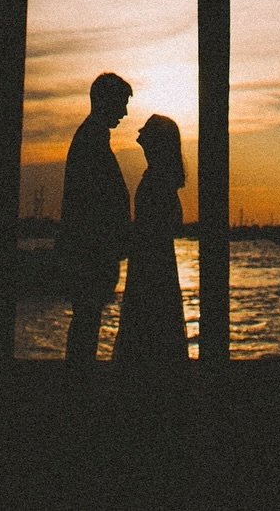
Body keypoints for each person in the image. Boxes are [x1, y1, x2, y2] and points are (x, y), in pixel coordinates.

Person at [57, 71, 132, 365]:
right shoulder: (91, 140)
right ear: (106, 101)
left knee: (87, 319)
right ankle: (79, 381)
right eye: (121, 104)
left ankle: (80, 375)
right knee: (87, 319)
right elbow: (93, 201)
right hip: (89, 252)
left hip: (91, 250)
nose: (125, 112)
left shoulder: (92, 138)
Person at [113, 113, 188, 365]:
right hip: (155, 260)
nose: (140, 138)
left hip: (150, 263)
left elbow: (155, 225)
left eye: (147, 135)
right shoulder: (160, 177)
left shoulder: (157, 179)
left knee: (147, 318)